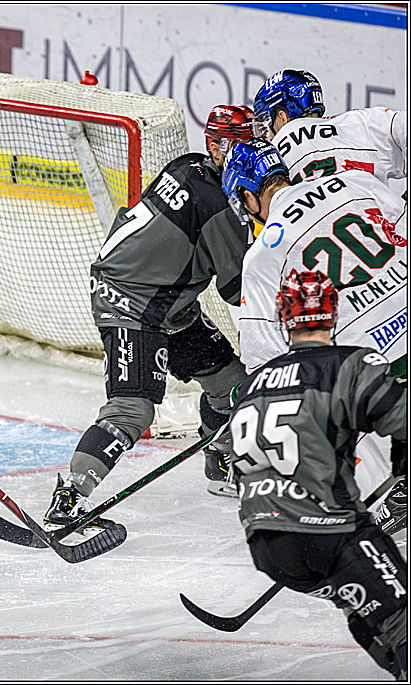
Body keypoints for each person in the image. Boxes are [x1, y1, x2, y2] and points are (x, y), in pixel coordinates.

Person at [42, 104, 259, 539]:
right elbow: (238, 292)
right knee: (132, 409)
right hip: (132, 305)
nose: (243, 155)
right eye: (235, 145)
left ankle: (219, 461)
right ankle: (69, 498)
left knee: (234, 387)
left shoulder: (188, 166)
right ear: (216, 146)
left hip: (166, 306)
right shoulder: (218, 205)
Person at [228, 269, 407, 680]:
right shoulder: (347, 364)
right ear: (333, 312)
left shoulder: (253, 385)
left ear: (282, 317)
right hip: (330, 533)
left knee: (365, 606)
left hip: (267, 547)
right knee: (402, 619)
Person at [223, 138, 407, 534]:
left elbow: (263, 357)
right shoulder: (354, 180)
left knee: (319, 394)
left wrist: (254, 398)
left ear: (248, 196)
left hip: (376, 363)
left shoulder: (262, 255)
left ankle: (386, 495)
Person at [253, 69, 406, 186]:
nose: (268, 136)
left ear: (282, 116)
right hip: (378, 224)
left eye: (267, 120)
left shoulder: (273, 157)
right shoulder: (360, 122)